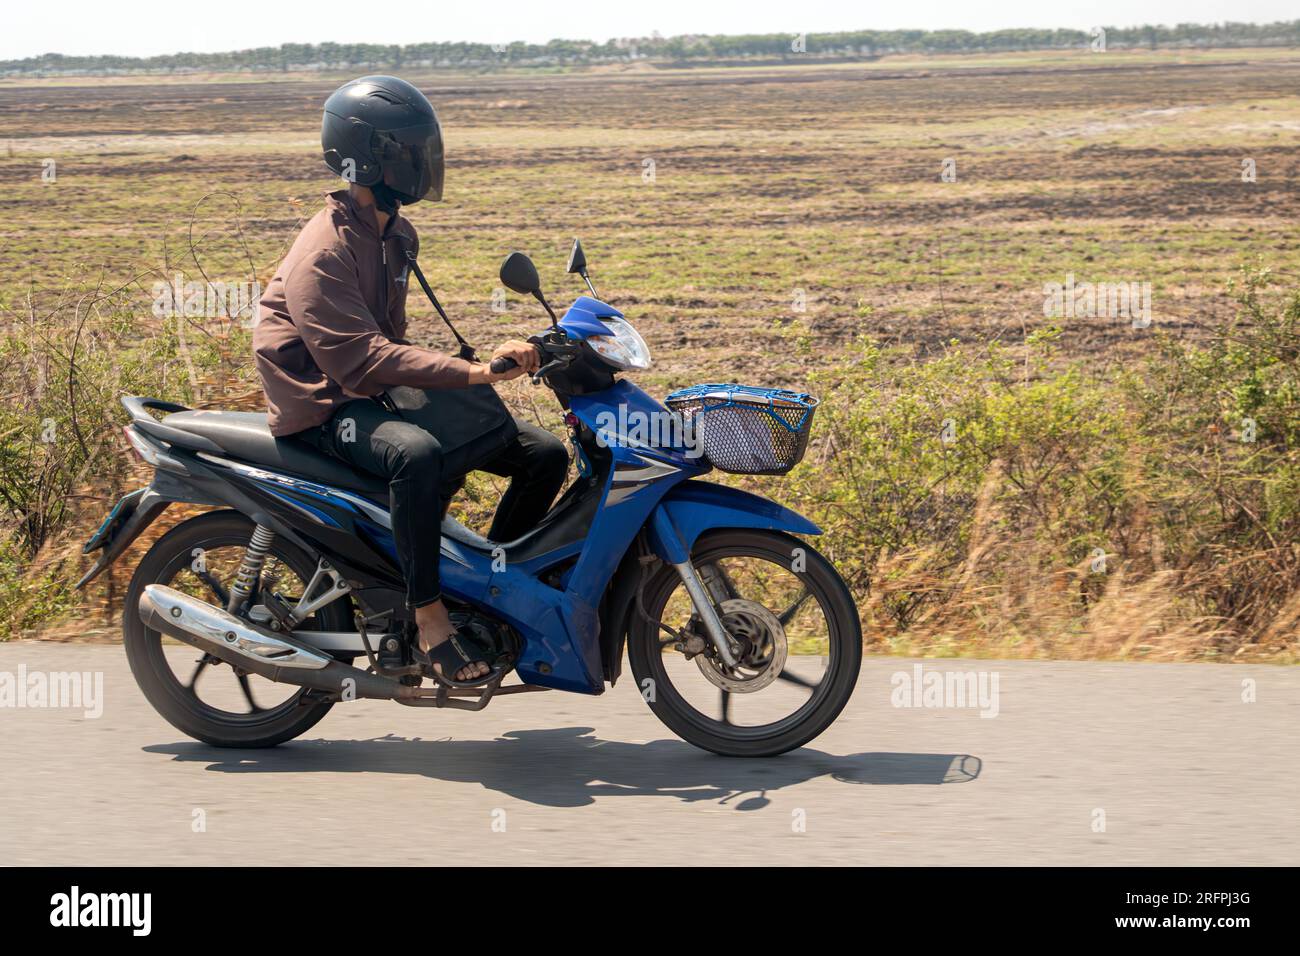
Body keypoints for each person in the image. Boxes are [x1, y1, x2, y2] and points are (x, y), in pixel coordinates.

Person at [252, 75, 568, 683]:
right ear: (369, 156)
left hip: (368, 389)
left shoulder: (395, 233)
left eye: (426, 149)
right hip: (322, 405)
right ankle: (429, 619)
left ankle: (490, 593)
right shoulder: (324, 251)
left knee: (543, 454)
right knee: (417, 456)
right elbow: (362, 360)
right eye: (410, 150)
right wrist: (474, 373)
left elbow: (391, 345)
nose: (424, 162)